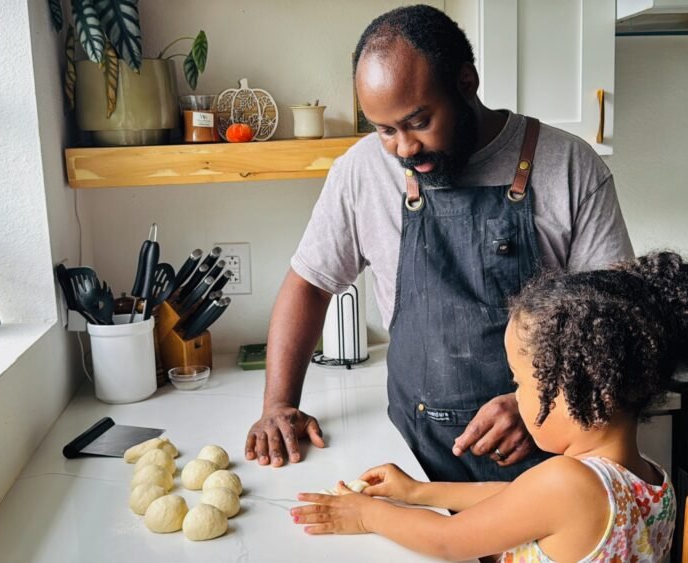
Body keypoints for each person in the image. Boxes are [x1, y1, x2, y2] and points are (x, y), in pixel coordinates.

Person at [245, 4, 634, 482]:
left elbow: (617, 322)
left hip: (543, 464)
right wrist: (279, 404)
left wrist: (537, 404)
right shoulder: (361, 170)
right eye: (385, 130)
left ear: (466, 84)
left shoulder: (569, 166)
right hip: (410, 459)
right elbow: (309, 283)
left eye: (418, 121)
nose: (404, 149)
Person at [290, 252, 688, 562]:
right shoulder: (647, 475)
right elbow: (515, 500)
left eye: (520, 381)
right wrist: (418, 493)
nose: (515, 396)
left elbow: (448, 540)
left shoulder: (570, 483)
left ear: (584, 391)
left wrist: (369, 515)